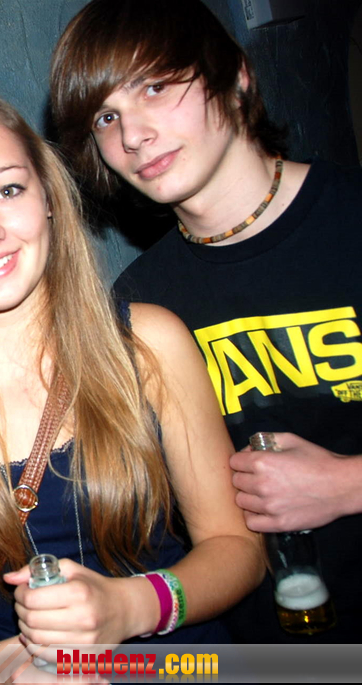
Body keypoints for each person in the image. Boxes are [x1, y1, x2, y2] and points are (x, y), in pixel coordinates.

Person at [0, 89, 262, 681]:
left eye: (7, 190)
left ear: (47, 197)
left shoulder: (150, 345)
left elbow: (237, 547)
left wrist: (132, 606)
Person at [50, 0, 362, 643]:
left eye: (155, 88)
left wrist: (347, 483)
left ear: (236, 76)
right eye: (106, 116)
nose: (132, 135)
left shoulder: (349, 220)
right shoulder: (138, 303)